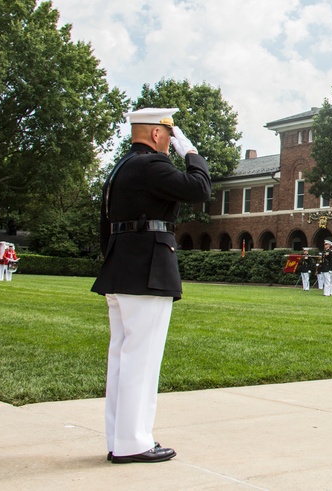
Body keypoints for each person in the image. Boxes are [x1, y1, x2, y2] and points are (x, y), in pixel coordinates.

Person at [91, 108, 211, 464]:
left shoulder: (121, 168)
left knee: (122, 360)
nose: (170, 142)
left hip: (123, 268)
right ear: (158, 134)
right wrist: (191, 154)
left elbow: (104, 224)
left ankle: (120, 438)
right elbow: (200, 188)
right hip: (147, 272)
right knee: (141, 361)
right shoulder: (150, 166)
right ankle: (133, 442)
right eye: (169, 135)